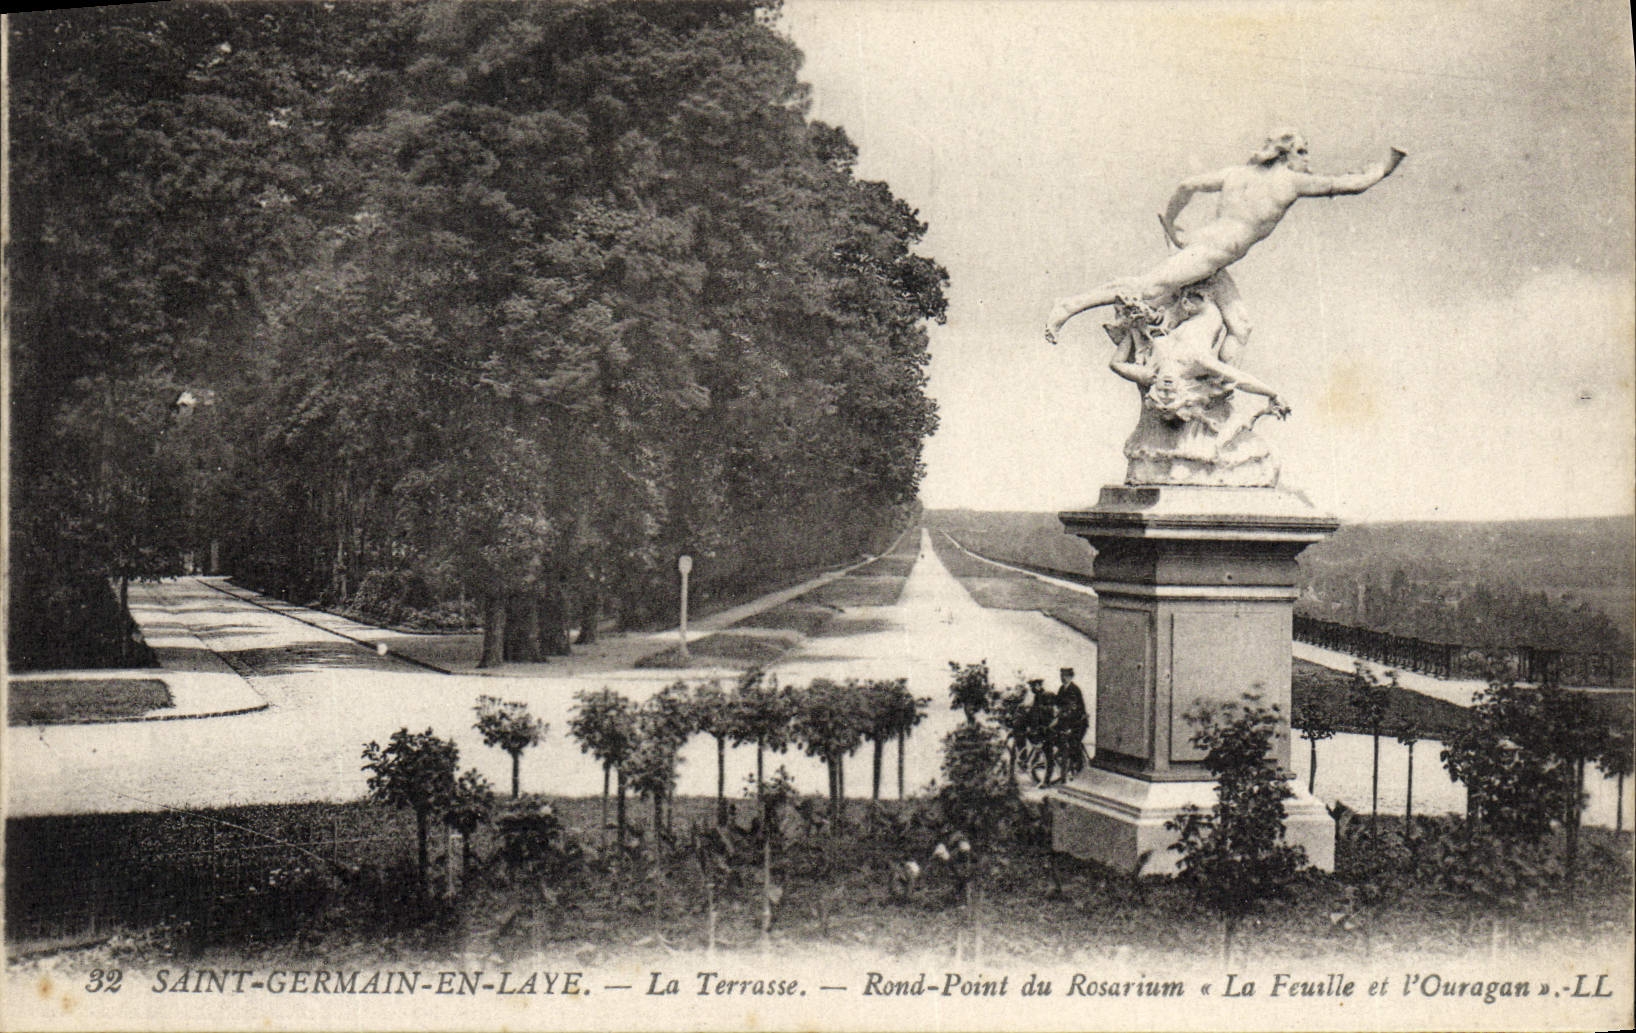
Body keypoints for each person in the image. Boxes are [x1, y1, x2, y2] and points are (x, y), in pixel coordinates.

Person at [1045, 130, 1405, 344]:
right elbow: (1351, 185)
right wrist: (1387, 167)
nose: (1307, 158)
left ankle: (1219, 405)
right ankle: (1069, 307)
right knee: (1145, 288)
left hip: (1211, 258)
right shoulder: (1291, 181)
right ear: (1284, 153)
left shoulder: (1236, 173)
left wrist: (1173, 222)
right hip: (1206, 256)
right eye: (1302, 151)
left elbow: (1187, 186)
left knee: (1241, 326)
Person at [1052, 667, 1089, 782]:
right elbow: (1057, 703)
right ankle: (1063, 762)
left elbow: (1075, 711)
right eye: (1061, 676)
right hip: (1066, 721)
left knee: (1073, 744)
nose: (1063, 678)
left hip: (1077, 723)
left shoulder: (1074, 690)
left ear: (1071, 677)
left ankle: (1078, 769)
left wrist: (1070, 727)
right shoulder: (1061, 689)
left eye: (1066, 676)